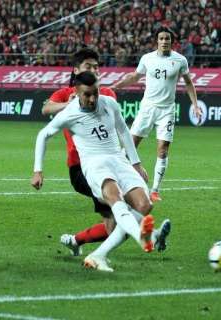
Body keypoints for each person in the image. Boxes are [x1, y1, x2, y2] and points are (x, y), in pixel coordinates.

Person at [42, 48, 171, 257]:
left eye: (96, 67)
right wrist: (70, 104)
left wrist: (134, 163)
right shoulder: (66, 95)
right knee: (123, 206)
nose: (94, 70)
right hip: (80, 169)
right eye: (88, 66)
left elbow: (118, 129)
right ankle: (152, 235)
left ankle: (75, 241)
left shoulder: (106, 95)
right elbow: (46, 108)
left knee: (114, 225)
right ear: (76, 70)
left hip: (108, 163)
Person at [32, 71, 156, 272]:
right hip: (94, 164)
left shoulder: (109, 103)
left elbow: (124, 131)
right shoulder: (69, 114)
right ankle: (142, 236)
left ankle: (99, 255)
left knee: (144, 205)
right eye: (87, 94)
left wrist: (136, 163)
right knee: (115, 198)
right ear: (77, 93)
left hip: (119, 160)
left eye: (95, 93)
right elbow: (43, 135)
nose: (92, 99)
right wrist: (38, 170)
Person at [110, 27, 202, 202]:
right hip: (148, 108)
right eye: (161, 38)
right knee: (131, 145)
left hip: (167, 110)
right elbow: (135, 77)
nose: (164, 41)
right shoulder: (147, 58)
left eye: (167, 38)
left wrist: (195, 105)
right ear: (157, 41)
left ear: (171, 41)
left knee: (163, 149)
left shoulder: (180, 60)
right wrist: (117, 86)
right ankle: (118, 182)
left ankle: (155, 190)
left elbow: (189, 83)